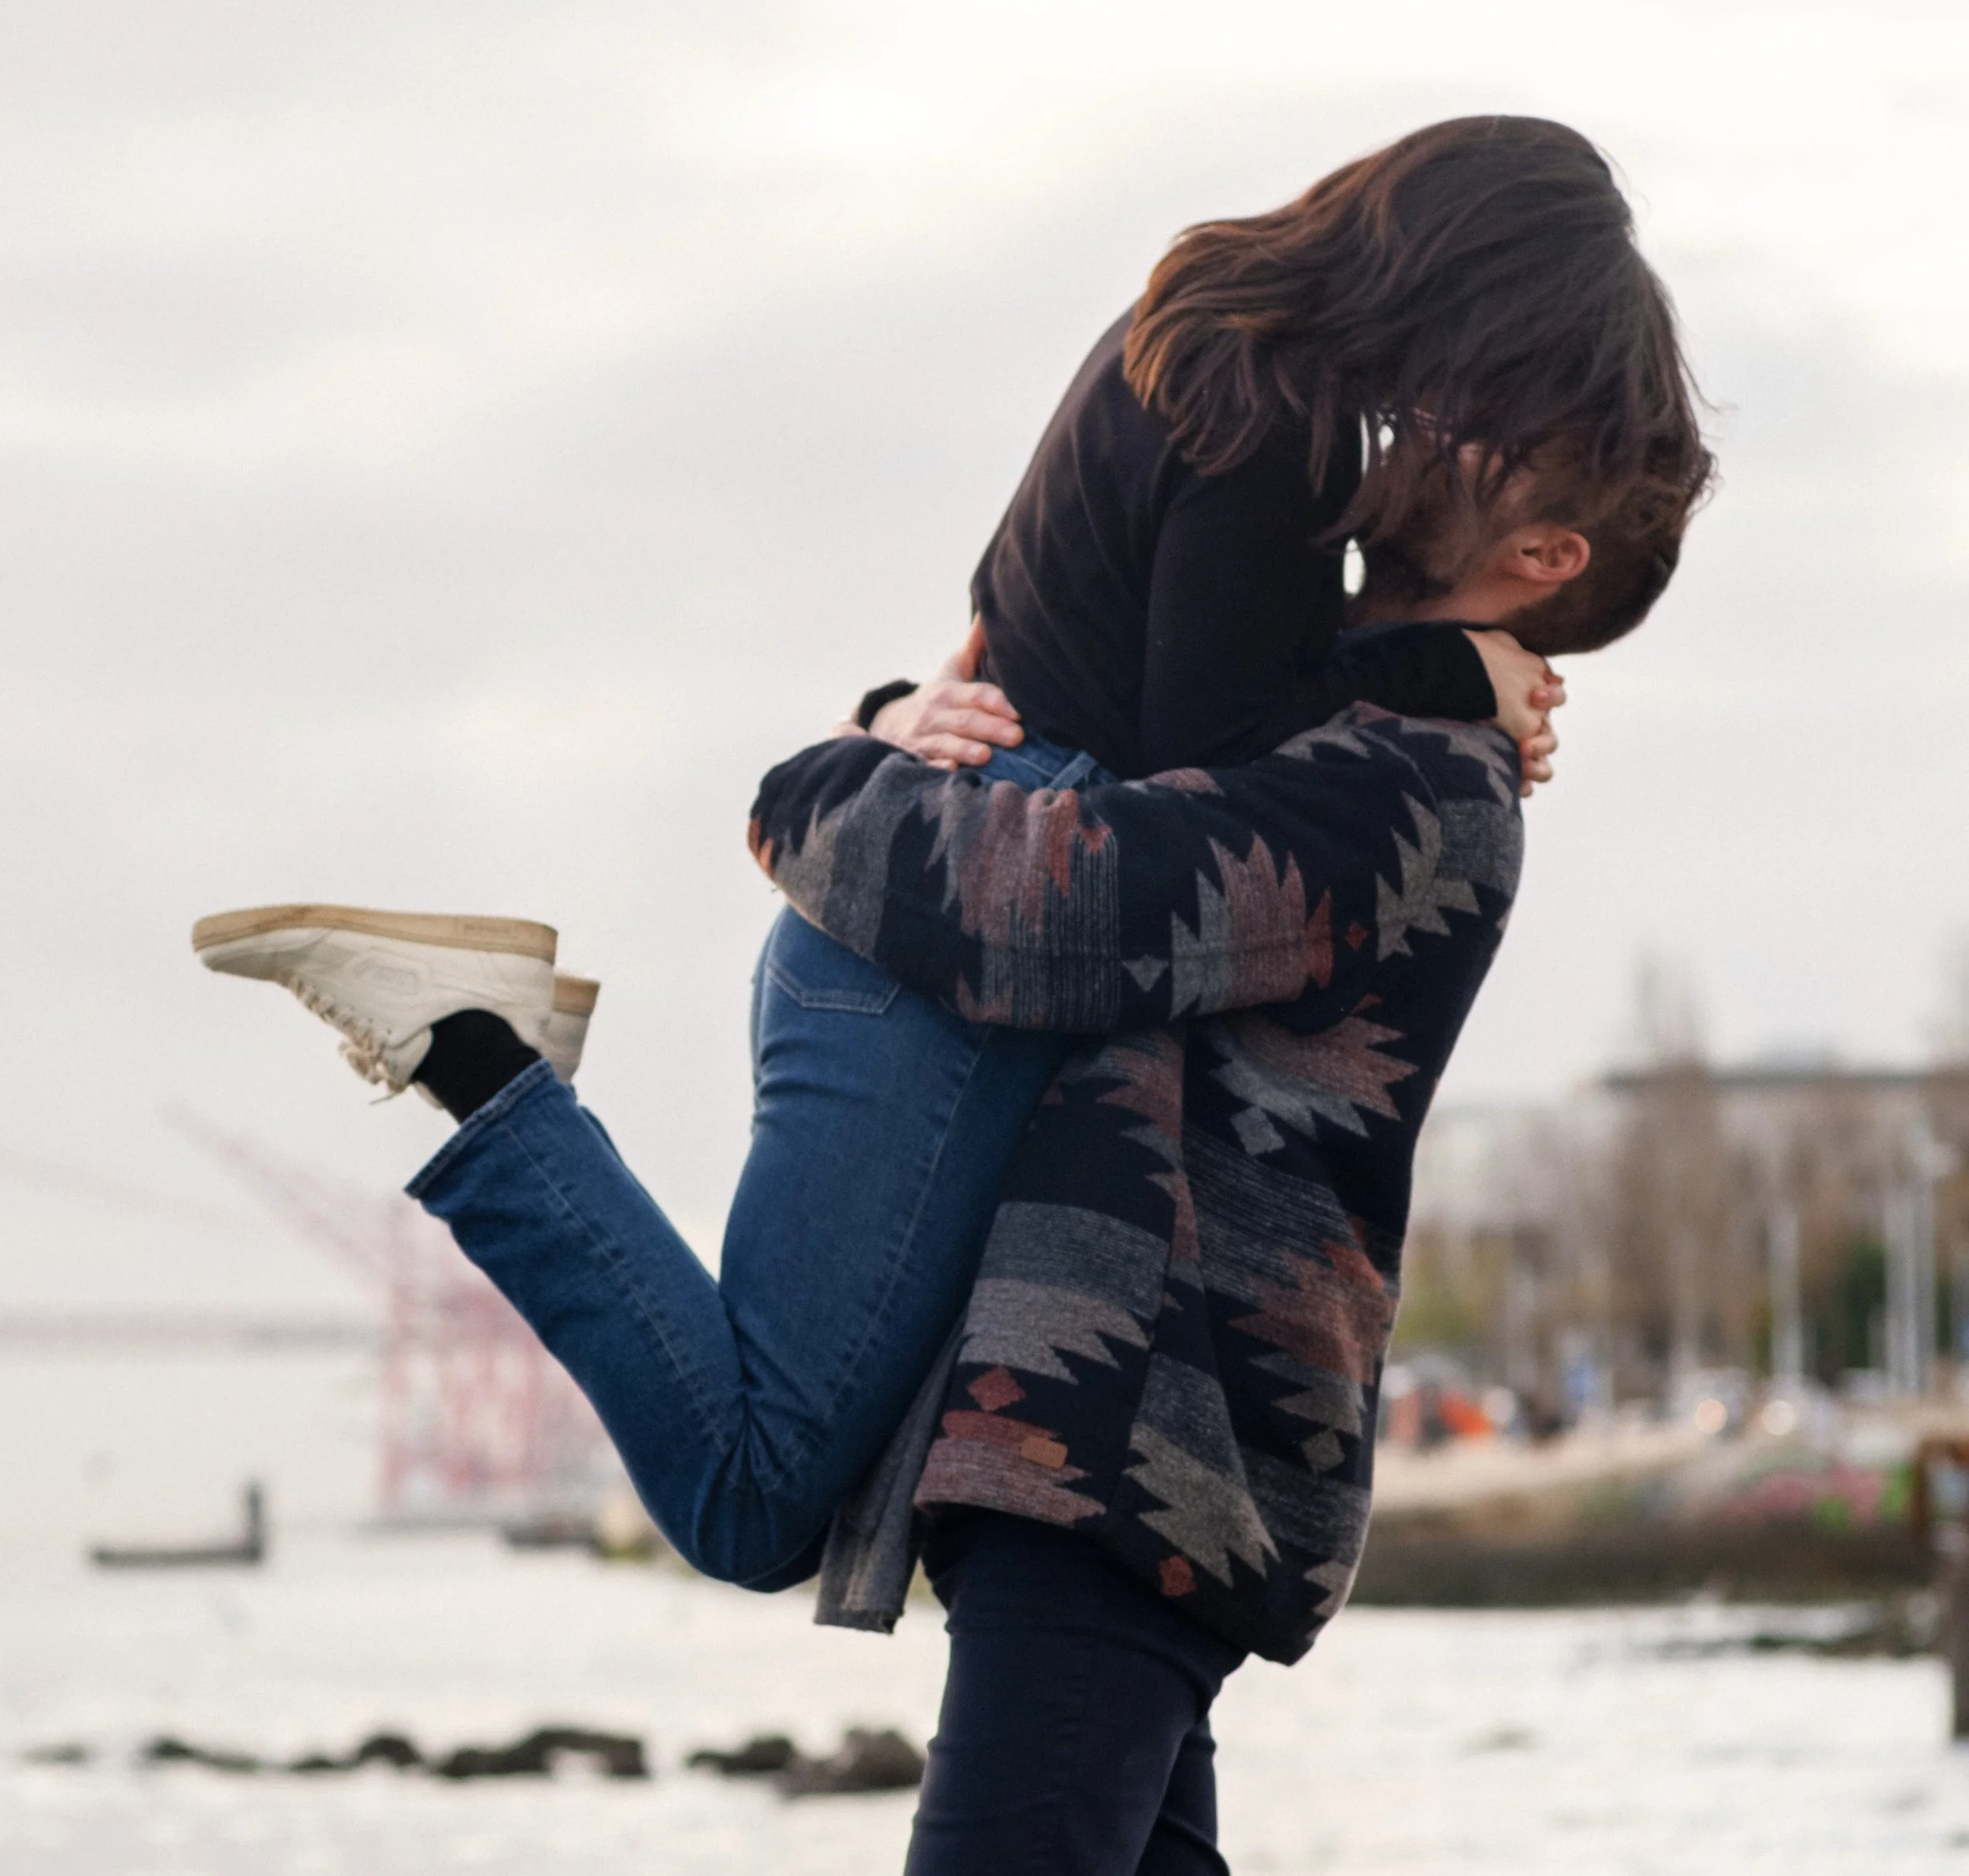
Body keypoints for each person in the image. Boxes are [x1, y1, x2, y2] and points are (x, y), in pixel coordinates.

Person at [195, 118, 1712, 1876]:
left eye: (1486, 446)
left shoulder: (1406, 785)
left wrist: (820, 775)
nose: (1419, 454)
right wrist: (915, 716)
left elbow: (1040, 893)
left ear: (1542, 538)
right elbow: (1123, 733)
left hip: (1151, 1433)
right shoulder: (1384, 706)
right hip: (1124, 1429)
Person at [194, 117, 1704, 1599]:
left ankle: (492, 1067)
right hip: (954, 932)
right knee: (747, 1492)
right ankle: (480, 1060)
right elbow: (1219, 754)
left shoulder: (1194, 332)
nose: (1482, 419)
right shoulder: (1281, 423)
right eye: (1520, 370)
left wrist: (875, 712)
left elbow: (1015, 632)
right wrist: (1456, 680)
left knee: (773, 1489)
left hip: (910, 914)